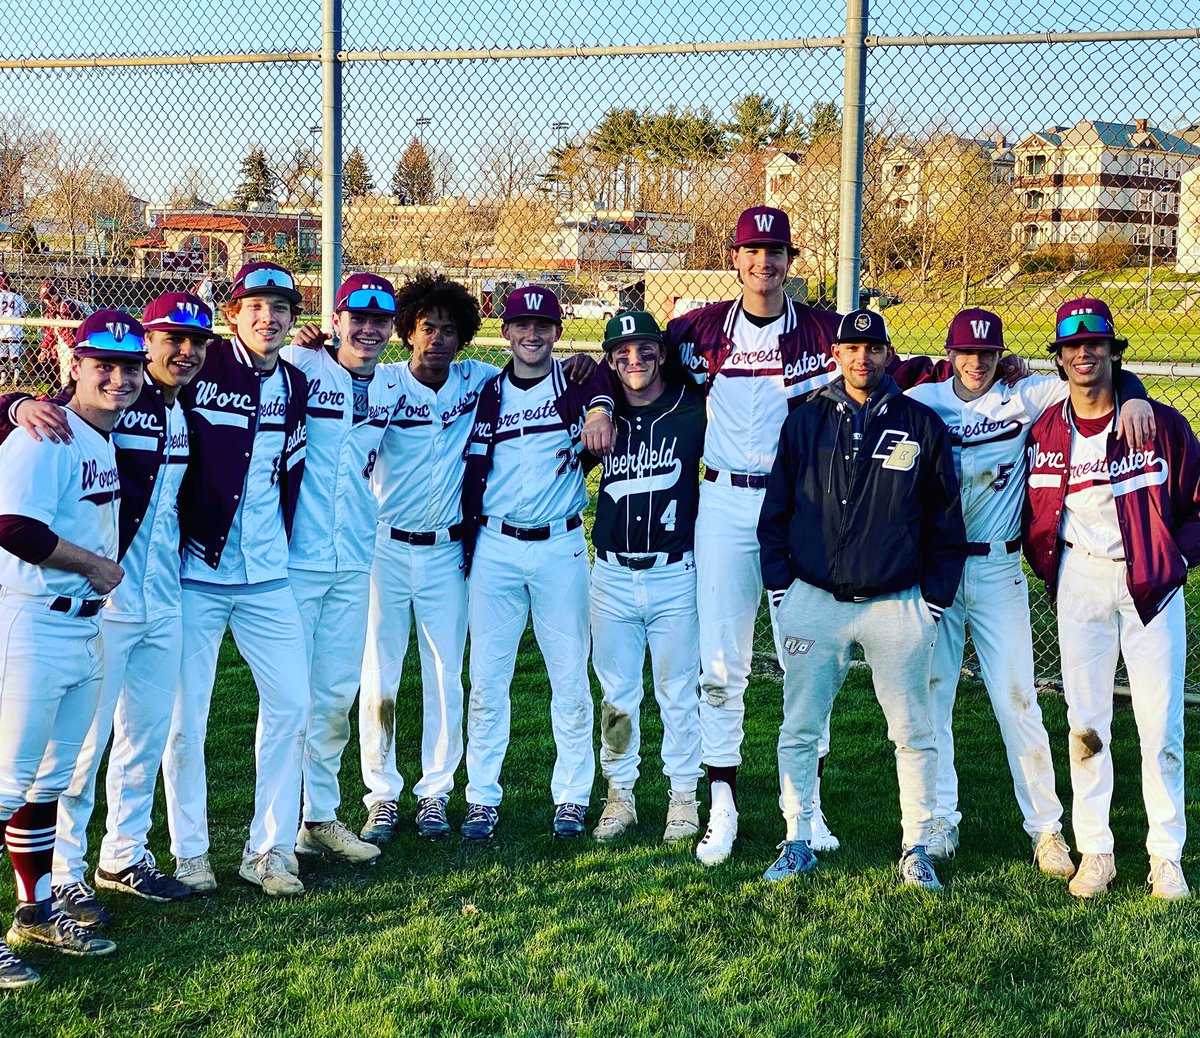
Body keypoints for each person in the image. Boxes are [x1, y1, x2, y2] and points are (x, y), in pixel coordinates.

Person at [582, 206, 843, 865]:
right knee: (723, 666)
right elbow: (622, 360)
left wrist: (1007, 368)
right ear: (734, 258)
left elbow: (895, 367)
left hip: (795, 507)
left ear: (791, 259)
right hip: (723, 505)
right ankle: (720, 803)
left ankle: (806, 806)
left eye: (775, 250)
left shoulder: (821, 331)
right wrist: (602, 401)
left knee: (804, 659)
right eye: (752, 250)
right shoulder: (698, 331)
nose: (763, 261)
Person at [905, 308, 1153, 873]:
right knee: (934, 695)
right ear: (950, 355)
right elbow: (873, 386)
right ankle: (940, 820)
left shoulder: (1024, 395)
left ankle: (1045, 829)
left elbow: (1092, 378)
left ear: (1002, 356)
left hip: (998, 567)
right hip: (937, 568)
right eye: (966, 353)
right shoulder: (924, 401)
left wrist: (1135, 392)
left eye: (988, 353)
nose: (977, 363)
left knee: (1017, 700)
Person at [0, 292, 217, 926]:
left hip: (158, 595)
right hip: (84, 604)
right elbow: (16, 509)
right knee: (73, 753)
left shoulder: (180, 409)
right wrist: (16, 402)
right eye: (171, 339)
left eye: (197, 341)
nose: (184, 351)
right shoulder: (71, 421)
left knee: (143, 735)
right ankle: (65, 874)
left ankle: (122, 856)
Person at [757, 309, 966, 890]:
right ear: (836, 354)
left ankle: (916, 846)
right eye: (851, 347)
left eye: (873, 348)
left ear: (887, 354)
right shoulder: (806, 421)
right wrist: (782, 588)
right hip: (814, 598)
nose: (862, 357)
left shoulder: (919, 422)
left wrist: (933, 602)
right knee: (800, 726)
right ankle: (797, 838)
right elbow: (775, 512)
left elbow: (945, 520)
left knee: (912, 730)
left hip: (895, 603)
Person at [1024, 297, 1199, 900]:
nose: (1084, 354)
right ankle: (1096, 849)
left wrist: (1176, 560)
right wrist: (1050, 563)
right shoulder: (1047, 429)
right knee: (1086, 723)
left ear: (1113, 352)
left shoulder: (1158, 424)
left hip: (1149, 582)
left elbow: (1197, 505)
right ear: (1059, 357)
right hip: (1080, 578)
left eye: (1095, 343)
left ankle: (1165, 854)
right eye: (1072, 346)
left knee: (1161, 724)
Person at [0, 310, 146, 988]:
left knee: (48, 782)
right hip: (30, 621)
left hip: (81, 626)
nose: (118, 378)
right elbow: (12, 527)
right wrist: (92, 564)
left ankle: (33, 911)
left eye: (129, 367)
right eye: (103, 365)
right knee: (6, 785)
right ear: (75, 367)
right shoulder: (45, 433)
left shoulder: (97, 434)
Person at [162, 261, 311, 898]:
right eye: (255, 305)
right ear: (233, 313)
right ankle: (189, 853)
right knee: (183, 719)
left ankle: (268, 849)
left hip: (268, 573)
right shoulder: (202, 364)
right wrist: (19, 400)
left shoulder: (297, 382)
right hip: (197, 571)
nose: (267, 317)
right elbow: (97, 397)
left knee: (293, 705)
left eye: (280, 307)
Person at [355, 275, 493, 843]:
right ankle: (382, 794)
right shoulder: (383, 382)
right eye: (427, 327)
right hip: (385, 547)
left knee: (444, 673)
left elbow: (539, 371)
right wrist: (310, 345)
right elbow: (324, 374)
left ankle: (435, 791)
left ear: (463, 338)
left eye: (449, 330)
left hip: (446, 551)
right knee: (379, 674)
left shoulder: (477, 379)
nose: (437, 338)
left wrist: (586, 374)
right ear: (407, 332)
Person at [458, 285, 596, 839]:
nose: (532, 334)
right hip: (495, 546)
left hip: (560, 545)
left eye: (543, 326)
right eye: (522, 325)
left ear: (558, 333)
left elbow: (613, 382)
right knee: (488, 679)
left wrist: (598, 390)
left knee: (570, 677)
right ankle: (481, 797)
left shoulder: (579, 383)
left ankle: (572, 796)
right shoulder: (486, 390)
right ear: (506, 331)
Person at [281, 273, 407, 866]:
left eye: (380, 320)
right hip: (293, 558)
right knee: (288, 700)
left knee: (334, 696)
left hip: (355, 556)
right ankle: (276, 828)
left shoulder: (391, 385)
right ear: (336, 321)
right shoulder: (300, 365)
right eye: (357, 318)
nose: (368, 329)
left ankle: (320, 818)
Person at [586, 311, 705, 843]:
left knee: (678, 692)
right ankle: (620, 796)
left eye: (645, 349)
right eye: (623, 352)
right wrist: (596, 405)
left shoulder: (691, 409)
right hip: (611, 575)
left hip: (674, 573)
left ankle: (684, 797)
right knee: (617, 694)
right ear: (611, 362)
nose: (635, 359)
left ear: (661, 352)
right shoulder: (599, 412)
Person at [37, 282, 89, 392]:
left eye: (50, 297)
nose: (48, 301)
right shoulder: (51, 311)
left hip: (75, 344)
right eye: (46, 298)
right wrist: (45, 349)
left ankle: (72, 395)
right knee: (64, 375)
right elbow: (50, 333)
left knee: (72, 375)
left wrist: (72, 347)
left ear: (56, 294)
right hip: (64, 344)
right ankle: (64, 394)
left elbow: (69, 332)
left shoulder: (66, 305)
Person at [0, 270, 29, 386]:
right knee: (15, 355)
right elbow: (23, 314)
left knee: (2, 356)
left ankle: (3, 378)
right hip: (15, 330)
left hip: (1, 330)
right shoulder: (17, 297)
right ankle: (16, 375)